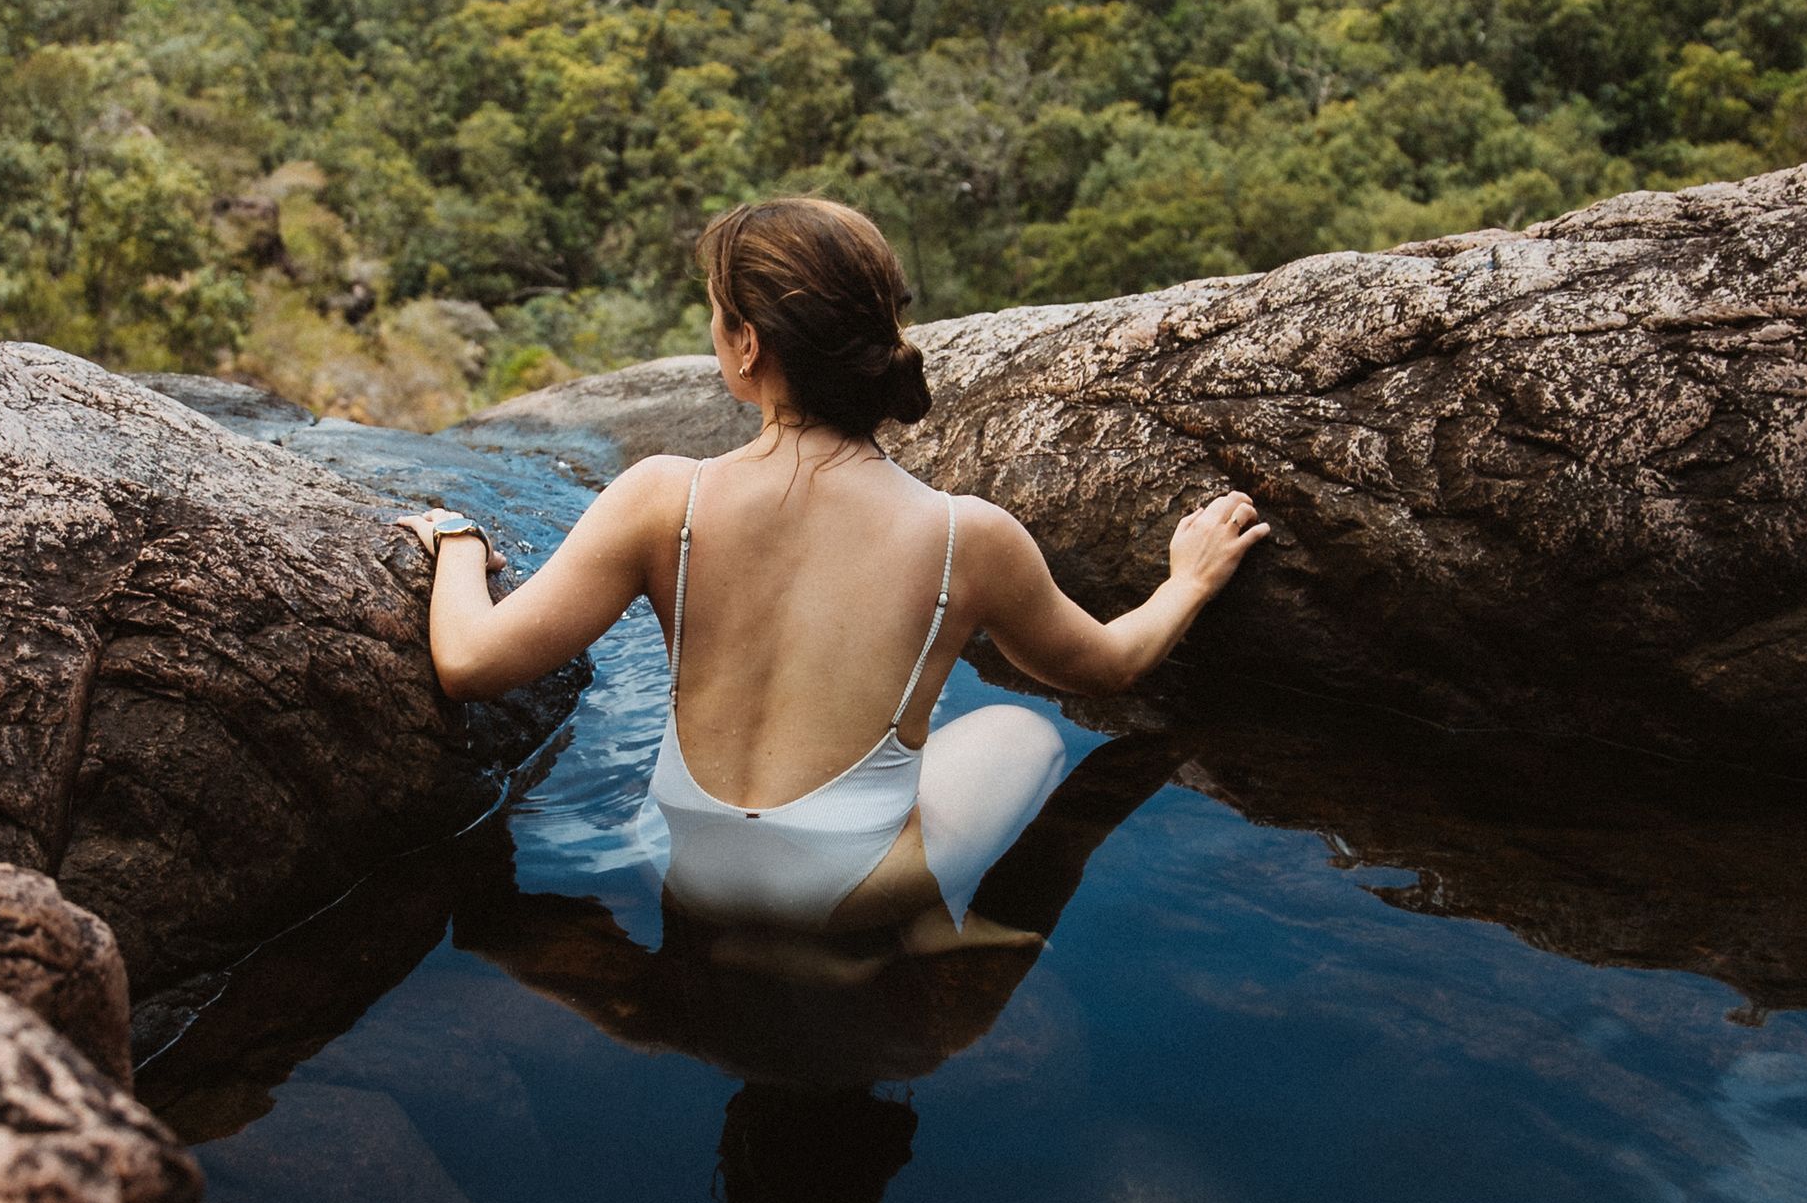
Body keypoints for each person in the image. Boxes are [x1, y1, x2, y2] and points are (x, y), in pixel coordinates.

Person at [409, 196, 1267, 954]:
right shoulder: (967, 536)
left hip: (681, 867)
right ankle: (907, 928)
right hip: (853, 891)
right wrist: (1186, 581)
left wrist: (454, 536)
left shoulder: (662, 498)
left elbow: (471, 665)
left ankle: (774, 947)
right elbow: (1112, 667)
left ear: (748, 344)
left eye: (715, 315)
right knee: (1023, 732)